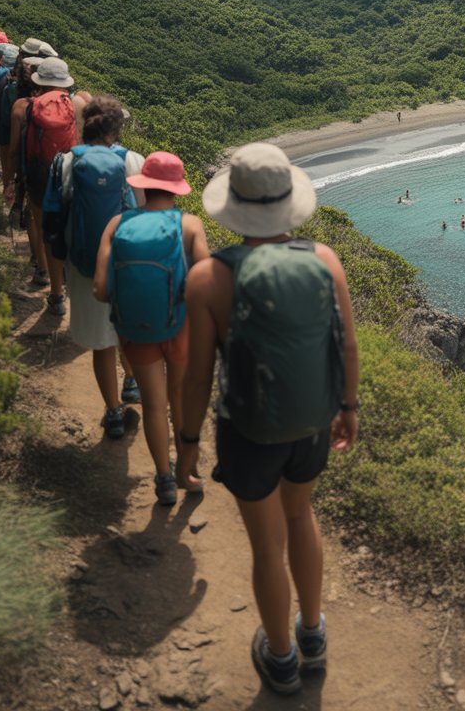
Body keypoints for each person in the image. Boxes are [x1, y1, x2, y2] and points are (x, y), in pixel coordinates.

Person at [177, 143, 359, 695]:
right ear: (288, 206)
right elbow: (346, 345)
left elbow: (197, 377)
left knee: (266, 546)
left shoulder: (208, 279)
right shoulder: (325, 260)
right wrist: (348, 409)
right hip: (312, 425)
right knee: (301, 517)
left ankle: (279, 659)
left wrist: (187, 444)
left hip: (249, 434)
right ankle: (312, 634)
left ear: (232, 206)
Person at [94, 151, 210, 501]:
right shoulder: (189, 225)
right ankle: (186, 473)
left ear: (142, 185)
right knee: (179, 399)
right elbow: (206, 285)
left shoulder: (118, 224)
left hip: (137, 331)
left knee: (154, 405)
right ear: (177, 190)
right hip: (180, 328)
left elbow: (100, 290)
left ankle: (163, 480)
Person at [58, 97, 145, 438]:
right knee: (129, 330)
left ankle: (112, 412)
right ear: (116, 129)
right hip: (127, 262)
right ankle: (133, 380)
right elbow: (147, 212)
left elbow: (57, 213)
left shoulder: (66, 162)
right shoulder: (132, 161)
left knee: (101, 343)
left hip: (84, 263)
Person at [9, 57, 91, 314]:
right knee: (72, 230)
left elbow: (13, 150)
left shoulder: (24, 107)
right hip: (73, 176)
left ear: (38, 81)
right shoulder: (79, 104)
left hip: (39, 178)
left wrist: (10, 182)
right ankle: (76, 287)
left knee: (48, 231)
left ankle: (54, 291)